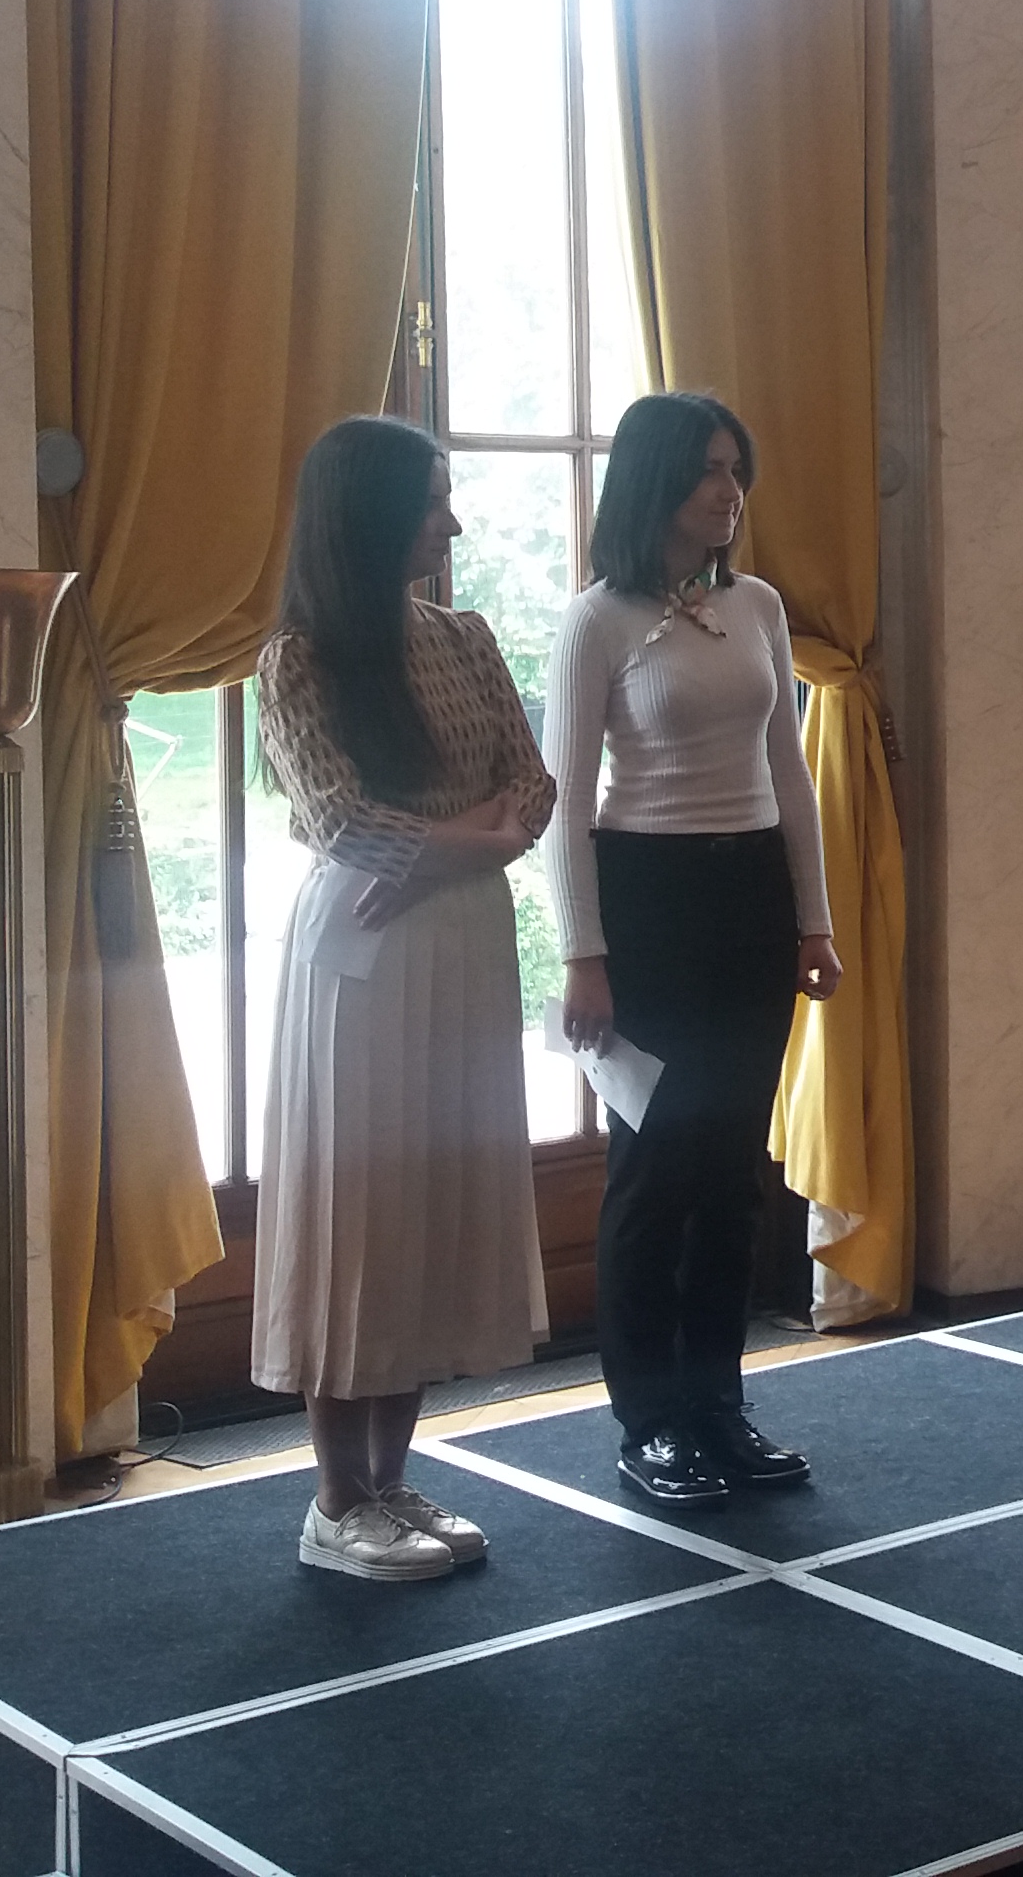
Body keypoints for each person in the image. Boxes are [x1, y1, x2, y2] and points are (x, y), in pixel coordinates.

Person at [253, 417, 557, 1582]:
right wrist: (480, 838)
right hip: (364, 952)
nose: (453, 525)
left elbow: (533, 785)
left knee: (431, 1202)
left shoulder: (464, 637)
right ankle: (335, 1500)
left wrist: (456, 847)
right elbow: (345, 824)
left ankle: (391, 1477)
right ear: (370, 515)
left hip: (461, 935)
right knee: (361, 1213)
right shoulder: (298, 660)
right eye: (432, 503)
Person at [548, 392, 844, 1510]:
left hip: (752, 894)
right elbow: (569, 802)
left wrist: (813, 921)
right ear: (656, 482)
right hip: (649, 900)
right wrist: (583, 955)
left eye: (737, 470)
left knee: (731, 1171)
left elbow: (791, 774)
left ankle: (719, 1404)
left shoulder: (756, 604)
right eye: (710, 470)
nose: (730, 492)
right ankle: (652, 1420)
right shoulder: (597, 620)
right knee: (657, 1167)